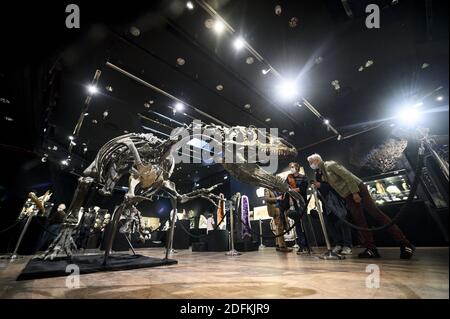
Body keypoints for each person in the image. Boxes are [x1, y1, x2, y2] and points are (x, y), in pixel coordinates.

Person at [307, 153, 415, 259]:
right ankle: (371, 249)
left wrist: (355, 192)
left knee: (376, 214)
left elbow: (347, 176)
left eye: (311, 162)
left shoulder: (330, 165)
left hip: (357, 190)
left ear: (317, 160)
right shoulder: (323, 171)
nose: (310, 164)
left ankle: (405, 244)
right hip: (348, 195)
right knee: (360, 221)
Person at [314, 170, 353, 255]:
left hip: (337, 202)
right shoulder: (317, 173)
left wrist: (322, 185)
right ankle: (338, 244)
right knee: (331, 225)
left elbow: (335, 185)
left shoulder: (329, 170)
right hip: (326, 205)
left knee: (343, 223)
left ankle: (347, 245)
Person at [285, 162, 310, 254]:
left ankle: (308, 245)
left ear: (297, 167)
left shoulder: (303, 177)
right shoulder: (289, 177)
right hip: (294, 204)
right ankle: (301, 245)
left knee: (305, 223)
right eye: (290, 167)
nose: (291, 168)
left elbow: (303, 189)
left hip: (302, 203)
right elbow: (285, 188)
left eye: (292, 167)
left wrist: (292, 190)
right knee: (297, 225)